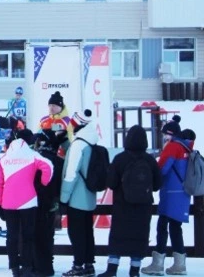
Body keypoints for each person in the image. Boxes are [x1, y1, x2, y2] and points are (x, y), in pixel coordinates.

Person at [99, 125, 161, 277]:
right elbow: (157, 185)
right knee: (139, 237)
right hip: (143, 207)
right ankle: (134, 271)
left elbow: (111, 183)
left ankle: (112, 269)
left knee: (118, 236)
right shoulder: (150, 160)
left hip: (122, 205)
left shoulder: (120, 159)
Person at [0, 128, 53, 277]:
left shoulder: (4, 159)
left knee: (12, 236)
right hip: (29, 201)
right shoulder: (32, 155)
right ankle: (27, 267)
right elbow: (48, 166)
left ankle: (14, 267)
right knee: (28, 236)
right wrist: (43, 182)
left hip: (8, 202)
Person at [142, 117, 192, 276]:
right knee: (175, 227)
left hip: (171, 194)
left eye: (165, 134)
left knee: (162, 227)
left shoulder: (172, 147)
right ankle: (179, 264)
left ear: (170, 134)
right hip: (182, 193)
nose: (163, 137)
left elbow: (162, 169)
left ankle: (157, 264)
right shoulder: (185, 147)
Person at [60, 111, 99, 277]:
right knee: (88, 232)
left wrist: (64, 197)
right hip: (89, 196)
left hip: (76, 197)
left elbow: (71, 174)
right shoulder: (91, 142)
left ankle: (78, 266)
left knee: (76, 233)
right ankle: (89, 265)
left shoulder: (78, 145)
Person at [33, 129, 64, 277]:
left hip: (35, 202)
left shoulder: (36, 159)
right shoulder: (59, 161)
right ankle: (48, 265)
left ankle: (37, 265)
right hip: (53, 203)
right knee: (48, 234)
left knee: (36, 234)